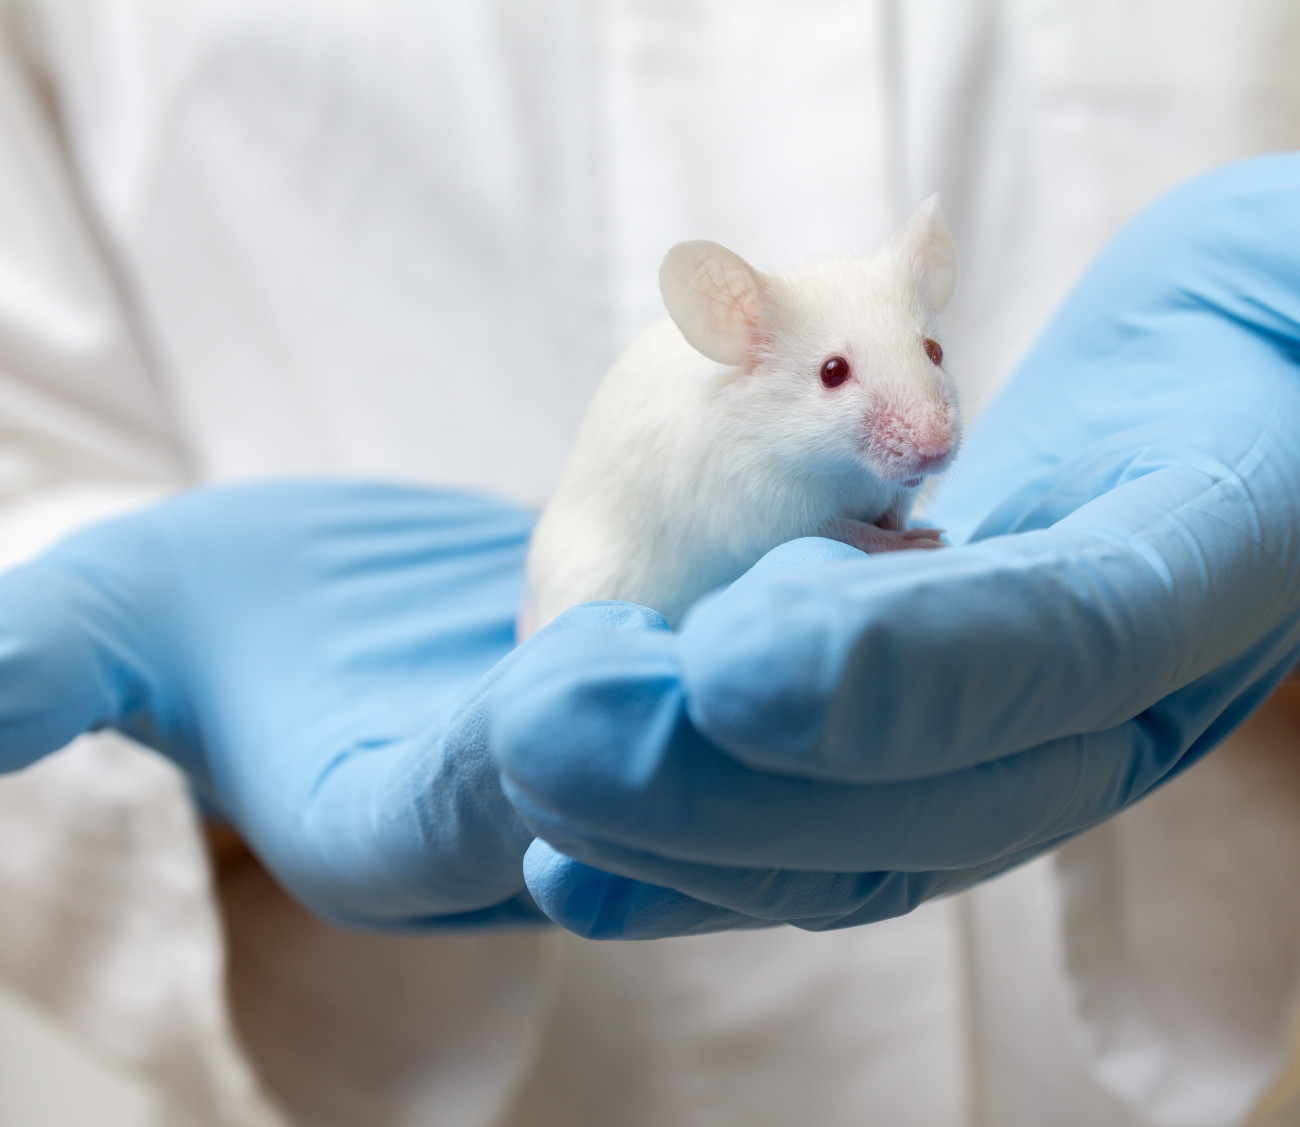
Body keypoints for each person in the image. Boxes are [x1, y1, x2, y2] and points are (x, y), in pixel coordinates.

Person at [1, 4, 1300, 1125]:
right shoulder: (722, 417)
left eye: (931, 365)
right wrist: (194, 702)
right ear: (733, 331)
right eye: (843, 376)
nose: (929, 421)